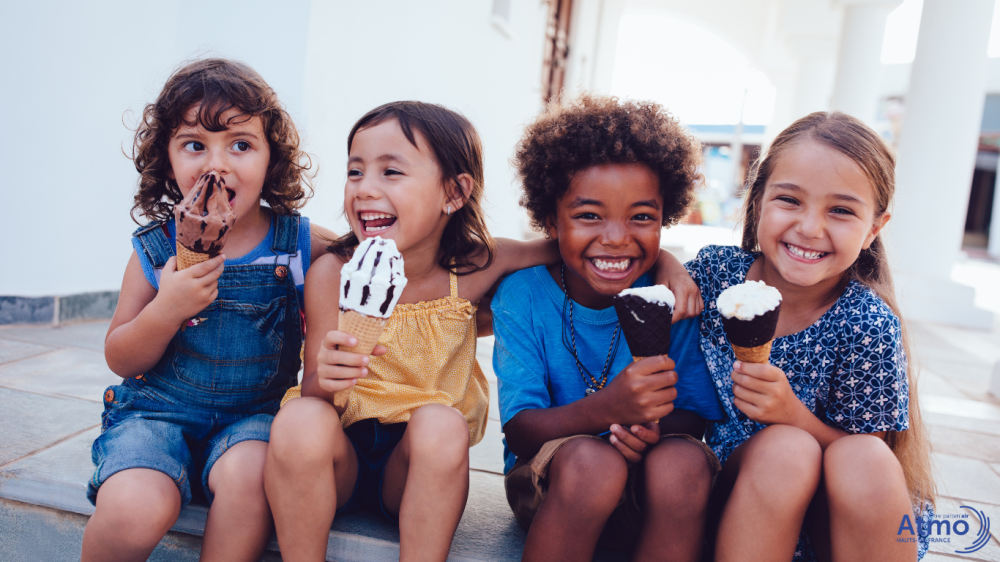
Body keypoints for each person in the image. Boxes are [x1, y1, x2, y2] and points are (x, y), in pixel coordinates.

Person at [263, 100, 700, 561]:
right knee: (299, 417)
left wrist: (667, 263)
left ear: (454, 193)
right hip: (339, 457)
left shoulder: (476, 267)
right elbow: (314, 392)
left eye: (390, 172)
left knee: (441, 423)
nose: (365, 188)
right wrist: (326, 379)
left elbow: (578, 244)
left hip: (416, 465)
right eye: (356, 172)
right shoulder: (334, 273)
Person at [82, 58, 335, 562]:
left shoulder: (297, 245)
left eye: (240, 145)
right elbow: (121, 356)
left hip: (253, 420)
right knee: (134, 507)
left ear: (271, 159)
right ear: (168, 159)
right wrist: (165, 310)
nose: (217, 164)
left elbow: (380, 253)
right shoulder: (156, 250)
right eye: (195, 144)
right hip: (155, 414)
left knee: (250, 480)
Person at [686, 112, 936, 562]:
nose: (810, 228)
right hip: (737, 504)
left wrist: (792, 415)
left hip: (831, 527)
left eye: (840, 210)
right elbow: (641, 279)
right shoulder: (715, 275)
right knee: (785, 451)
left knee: (866, 458)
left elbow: (865, 452)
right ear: (758, 199)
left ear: (874, 229)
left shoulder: (867, 323)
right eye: (790, 200)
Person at [493, 94, 725, 562]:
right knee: (592, 463)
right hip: (556, 482)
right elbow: (520, 431)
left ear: (666, 217)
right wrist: (608, 409)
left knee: (685, 462)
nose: (617, 237)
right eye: (588, 215)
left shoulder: (672, 299)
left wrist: (652, 429)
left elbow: (695, 416)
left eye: (642, 216)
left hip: (647, 488)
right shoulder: (523, 296)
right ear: (550, 219)